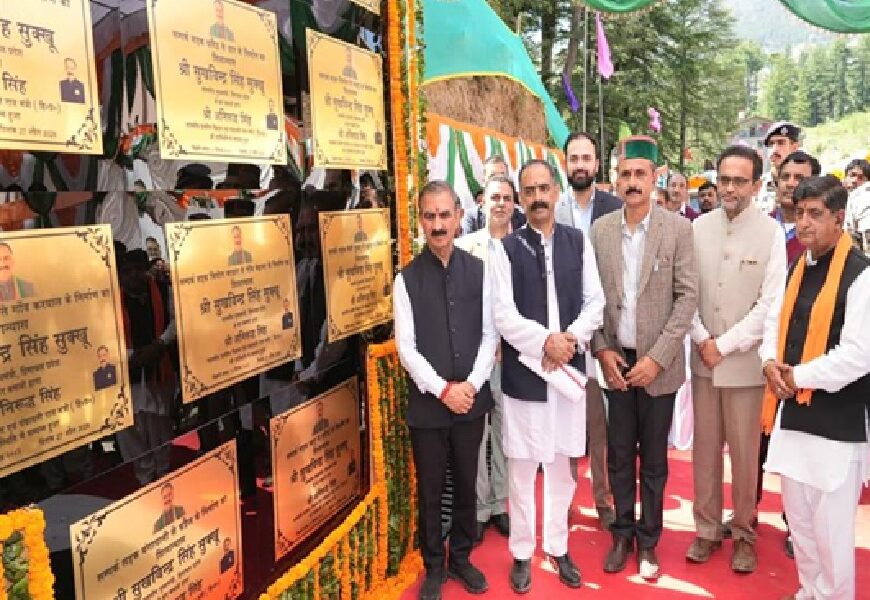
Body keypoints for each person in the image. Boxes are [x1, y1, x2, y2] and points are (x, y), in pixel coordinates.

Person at [491, 160, 605, 593]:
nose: (538, 197)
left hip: (568, 372)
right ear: (521, 198)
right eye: (530, 191)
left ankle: (557, 546)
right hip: (527, 374)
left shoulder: (578, 242)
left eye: (544, 188)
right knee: (522, 469)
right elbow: (503, 315)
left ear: (556, 192)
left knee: (561, 468)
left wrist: (569, 340)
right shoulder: (506, 249)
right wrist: (545, 343)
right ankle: (522, 552)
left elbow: (595, 301)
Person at [590, 136, 697, 581]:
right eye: (625, 174)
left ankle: (649, 541)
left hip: (658, 366)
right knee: (618, 456)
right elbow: (591, 300)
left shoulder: (678, 229)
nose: (632, 182)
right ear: (615, 179)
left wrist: (657, 358)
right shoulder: (600, 231)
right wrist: (602, 349)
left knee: (653, 460)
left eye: (640, 174)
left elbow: (687, 297)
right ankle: (622, 535)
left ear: (655, 179)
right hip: (616, 362)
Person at [760, 175, 870, 600]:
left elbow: (858, 355)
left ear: (838, 219)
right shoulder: (798, 267)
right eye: (800, 213)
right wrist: (769, 362)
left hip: (838, 424)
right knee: (802, 525)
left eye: (815, 214)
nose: (803, 222)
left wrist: (796, 377)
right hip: (794, 417)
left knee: (831, 532)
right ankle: (809, 591)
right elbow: (775, 322)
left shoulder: (860, 274)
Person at [394, 180, 497, 600]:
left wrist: (469, 386)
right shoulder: (406, 280)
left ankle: (462, 558)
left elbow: (490, 335)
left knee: (467, 483)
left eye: (444, 215)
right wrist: (443, 391)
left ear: (458, 217)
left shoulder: (480, 272)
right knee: (431, 489)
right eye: (429, 216)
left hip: (471, 400)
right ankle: (434, 565)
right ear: (420, 221)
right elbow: (406, 349)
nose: (438, 225)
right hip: (429, 406)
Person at [686, 145, 786, 574]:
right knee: (704, 453)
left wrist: (723, 345)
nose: (729, 188)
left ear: (756, 185)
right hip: (703, 362)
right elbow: (685, 292)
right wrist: (701, 338)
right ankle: (707, 530)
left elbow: (770, 305)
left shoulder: (771, 234)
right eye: (724, 179)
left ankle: (744, 532)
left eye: (739, 181)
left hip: (744, 366)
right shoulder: (696, 228)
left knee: (745, 459)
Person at [554, 131, 622, 530]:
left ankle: (604, 500)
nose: (580, 165)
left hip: (601, 334)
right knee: (564, 423)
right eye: (573, 158)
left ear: (597, 164)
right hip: (562, 337)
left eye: (586, 158)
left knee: (600, 425)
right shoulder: (552, 208)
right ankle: (563, 499)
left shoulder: (615, 209)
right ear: (565, 163)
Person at [455, 176, 515, 544]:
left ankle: (500, 505)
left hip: (511, 359)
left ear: (514, 204)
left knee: (505, 433)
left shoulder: (523, 247)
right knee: (476, 436)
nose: (501, 204)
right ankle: (478, 509)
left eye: (507, 198)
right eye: (495, 197)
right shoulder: (464, 248)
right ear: (483, 202)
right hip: (474, 360)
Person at [117, 249, 177, 487]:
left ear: (146, 270)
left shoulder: (163, 290)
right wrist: (132, 356)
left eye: (138, 269)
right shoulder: (112, 298)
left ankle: (163, 474)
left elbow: (176, 320)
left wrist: (160, 344)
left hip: (159, 367)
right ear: (120, 274)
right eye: (128, 270)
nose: (134, 275)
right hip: (128, 371)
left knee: (159, 424)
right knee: (133, 428)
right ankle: (144, 479)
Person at [461, 155, 525, 234]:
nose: (498, 181)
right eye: (492, 177)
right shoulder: (472, 218)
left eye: (502, 176)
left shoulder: (522, 218)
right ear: (483, 182)